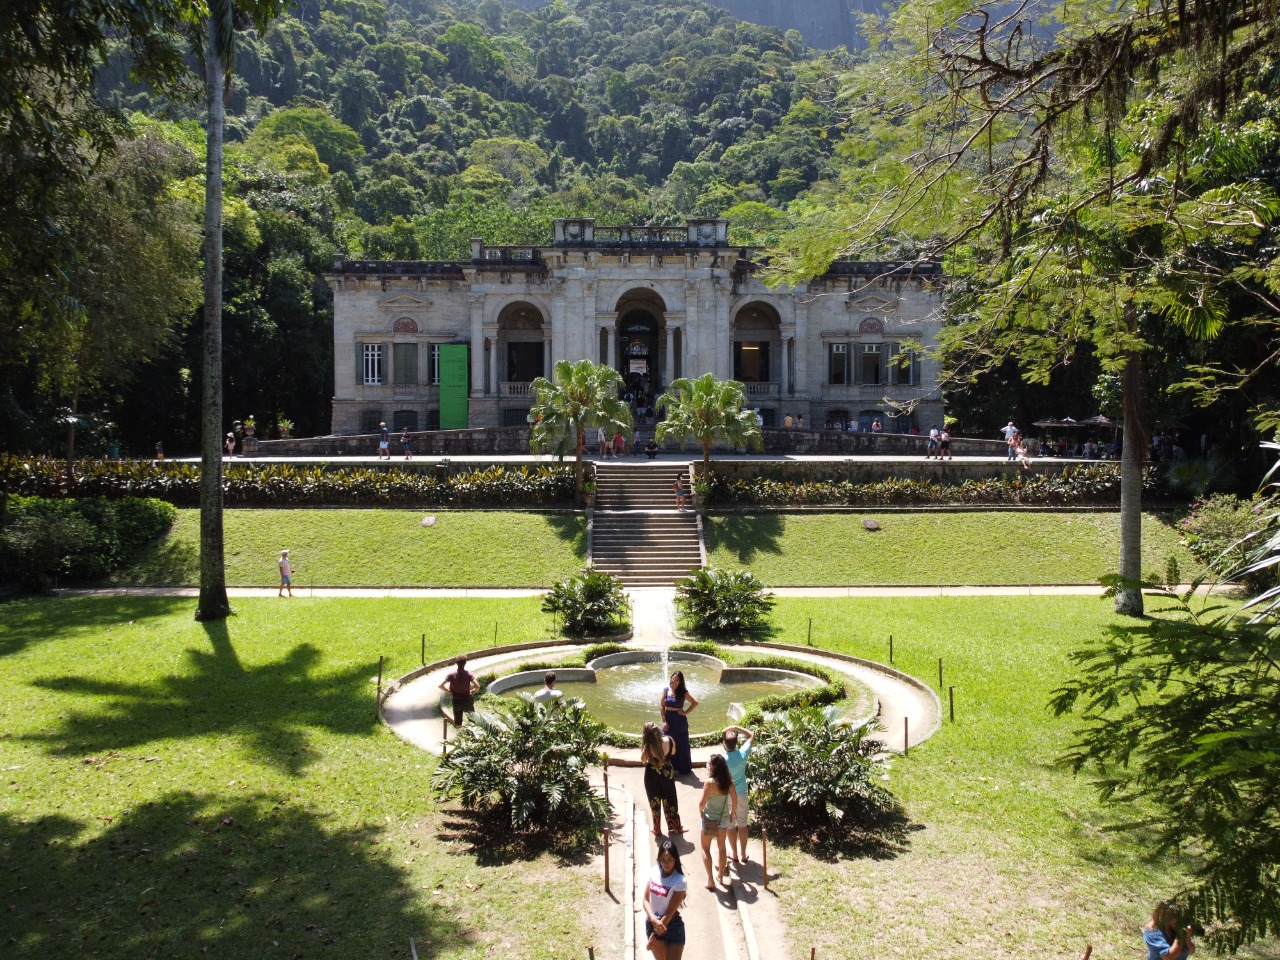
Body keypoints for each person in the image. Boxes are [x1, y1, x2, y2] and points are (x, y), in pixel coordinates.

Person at [639, 840, 687, 960]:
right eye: (663, 859)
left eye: (670, 859)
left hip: (672, 925)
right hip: (653, 922)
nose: (666, 863)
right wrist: (652, 919)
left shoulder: (680, 881)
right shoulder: (653, 871)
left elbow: (670, 912)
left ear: (675, 859)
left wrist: (655, 934)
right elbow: (645, 899)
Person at [698, 753, 737, 890]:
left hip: (709, 820)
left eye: (709, 763)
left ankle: (710, 879)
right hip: (724, 820)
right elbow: (735, 801)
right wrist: (731, 815)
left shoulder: (710, 783)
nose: (708, 765)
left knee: (705, 848)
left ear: (714, 767)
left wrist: (701, 813)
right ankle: (720, 876)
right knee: (722, 848)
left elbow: (702, 803)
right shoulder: (729, 783)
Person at [641, 722, 684, 836]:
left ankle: (657, 829)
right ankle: (675, 826)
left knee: (654, 801)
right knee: (670, 799)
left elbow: (643, 760)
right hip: (667, 774)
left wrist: (645, 745)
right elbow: (674, 752)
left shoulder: (648, 746)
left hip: (651, 775)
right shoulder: (669, 740)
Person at [721, 725, 754, 863]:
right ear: (737, 742)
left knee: (730, 825)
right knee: (742, 824)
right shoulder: (742, 754)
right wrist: (735, 727)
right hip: (741, 794)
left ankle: (734, 854)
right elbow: (751, 735)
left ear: (724, 744)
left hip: (727, 795)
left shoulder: (722, 760)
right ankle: (743, 854)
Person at [660, 670, 698, 774]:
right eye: (673, 678)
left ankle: (682, 768)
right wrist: (664, 721)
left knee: (681, 744)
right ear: (671, 678)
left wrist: (685, 712)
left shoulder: (683, 692)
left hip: (679, 721)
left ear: (680, 681)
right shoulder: (666, 690)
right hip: (668, 719)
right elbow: (662, 706)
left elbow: (695, 702)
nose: (674, 681)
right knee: (667, 742)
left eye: (677, 679)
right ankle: (668, 767)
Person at [438, 655, 480, 728]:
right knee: (472, 720)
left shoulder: (451, 674)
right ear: (465, 663)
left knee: (458, 722)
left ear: (456, 663)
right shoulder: (468, 674)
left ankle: (461, 736)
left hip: (456, 700)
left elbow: (441, 685)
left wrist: (449, 692)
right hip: (467, 699)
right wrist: (473, 691)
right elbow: (477, 686)